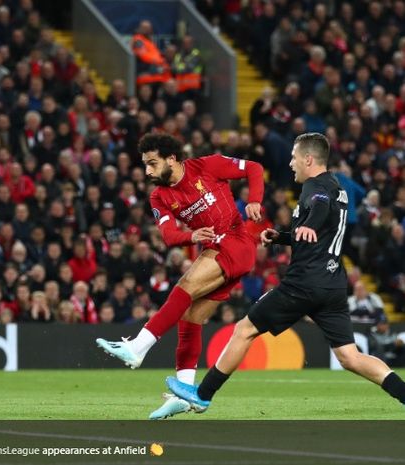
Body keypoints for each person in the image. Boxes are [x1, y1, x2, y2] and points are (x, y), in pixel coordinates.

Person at [169, 133, 405, 413]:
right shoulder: (336, 186)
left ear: (308, 159)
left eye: (294, 157)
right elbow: (318, 228)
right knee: (350, 357)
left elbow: (319, 207)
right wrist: (281, 237)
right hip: (332, 285)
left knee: (244, 329)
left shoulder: (314, 186)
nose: (291, 163)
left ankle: (203, 394)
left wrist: (311, 225)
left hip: (304, 282)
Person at [96, 133, 264, 419]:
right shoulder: (159, 196)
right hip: (217, 248)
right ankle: (185, 395)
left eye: (152, 164)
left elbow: (254, 168)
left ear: (171, 159)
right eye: (145, 165)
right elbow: (167, 234)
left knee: (184, 286)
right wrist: (191, 236)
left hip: (236, 241)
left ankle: (138, 347)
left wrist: (255, 201)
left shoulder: (207, 166)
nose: (147, 171)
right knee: (190, 318)